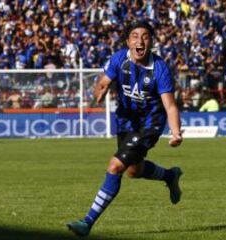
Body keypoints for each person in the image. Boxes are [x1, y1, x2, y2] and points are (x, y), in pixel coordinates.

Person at [67, 20, 183, 237]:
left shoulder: (160, 69)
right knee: (133, 170)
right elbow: (102, 84)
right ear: (128, 41)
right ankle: (169, 176)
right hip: (125, 121)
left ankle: (87, 222)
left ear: (151, 41)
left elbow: (170, 105)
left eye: (145, 36)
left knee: (115, 166)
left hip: (149, 124)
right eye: (135, 36)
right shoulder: (119, 58)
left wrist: (176, 131)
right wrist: (101, 90)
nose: (140, 40)